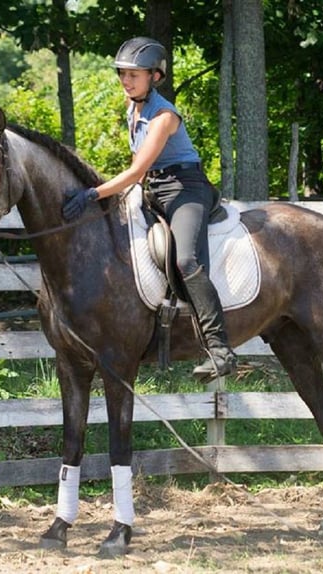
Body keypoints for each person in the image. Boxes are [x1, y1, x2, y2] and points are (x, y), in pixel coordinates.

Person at [61, 36, 236, 379]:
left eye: (134, 75)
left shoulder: (164, 116)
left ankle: (219, 349)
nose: (126, 81)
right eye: (123, 75)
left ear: (155, 77)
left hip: (185, 190)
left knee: (186, 260)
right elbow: (138, 166)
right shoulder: (133, 108)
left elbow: (136, 169)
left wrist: (94, 194)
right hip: (154, 189)